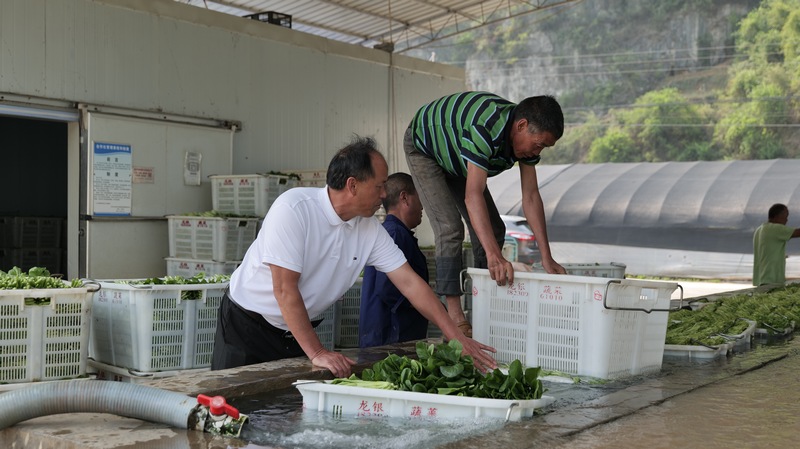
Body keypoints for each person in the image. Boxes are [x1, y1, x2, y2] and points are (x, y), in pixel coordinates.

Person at [211, 135, 497, 378]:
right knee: (229, 418)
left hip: (294, 331)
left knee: (285, 417)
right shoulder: (294, 209)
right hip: (246, 326)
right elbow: (285, 289)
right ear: (352, 185)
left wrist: (457, 337)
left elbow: (411, 284)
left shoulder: (369, 229)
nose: (385, 194)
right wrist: (318, 351)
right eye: (380, 185)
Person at [404, 91, 567, 337]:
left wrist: (547, 257)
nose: (537, 152)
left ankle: (485, 304)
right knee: (450, 227)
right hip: (426, 148)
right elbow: (473, 196)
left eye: (544, 147)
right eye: (539, 144)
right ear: (521, 126)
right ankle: (455, 314)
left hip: (458, 156)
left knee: (495, 228)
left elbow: (531, 197)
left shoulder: (525, 142)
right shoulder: (485, 126)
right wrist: (493, 255)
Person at [359, 173, 429, 348]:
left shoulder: (392, 232)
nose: (423, 207)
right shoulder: (395, 234)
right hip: (391, 340)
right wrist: (428, 305)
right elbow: (388, 288)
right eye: (419, 198)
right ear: (404, 197)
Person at [752, 203, 800, 286]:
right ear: (777, 215)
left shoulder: (759, 230)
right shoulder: (775, 228)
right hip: (771, 279)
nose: (787, 220)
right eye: (786, 216)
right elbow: (798, 232)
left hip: (760, 279)